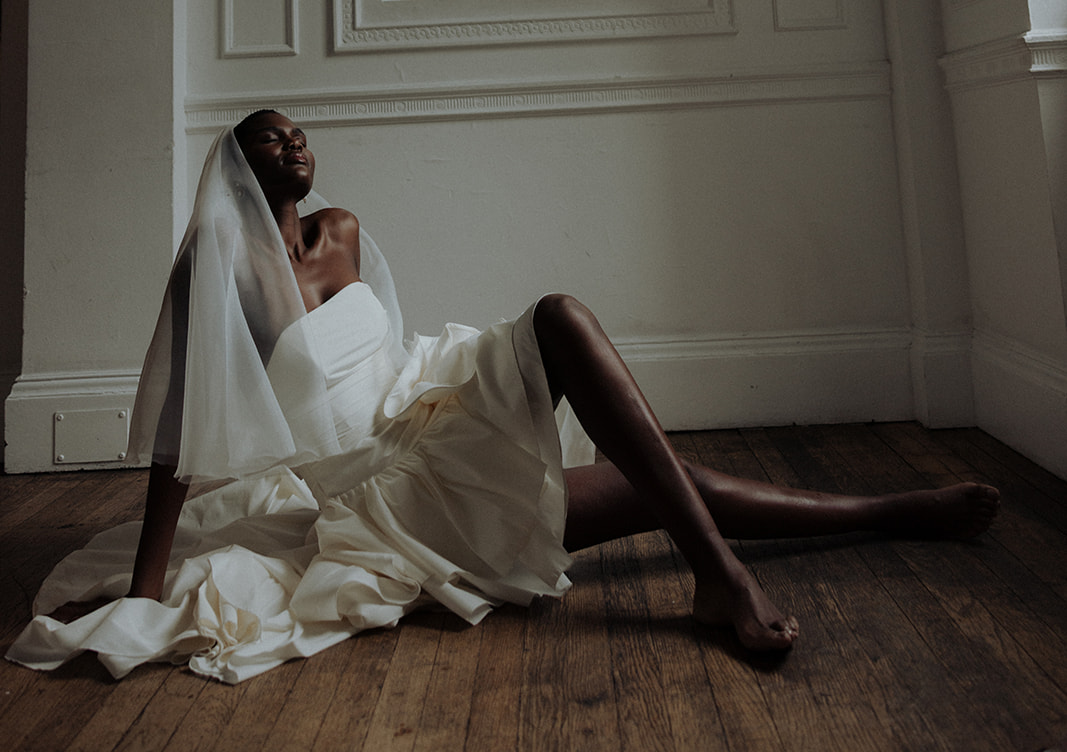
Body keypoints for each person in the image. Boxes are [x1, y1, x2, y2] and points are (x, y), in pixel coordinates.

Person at [7, 111, 999, 684]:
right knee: (666, 478)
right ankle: (765, 561)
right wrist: (145, 584)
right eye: (270, 137)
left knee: (565, 324)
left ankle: (857, 522)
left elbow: (381, 351)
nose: (294, 143)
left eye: (300, 133)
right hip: (391, 500)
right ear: (235, 164)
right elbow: (177, 438)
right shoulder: (220, 276)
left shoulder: (344, 231)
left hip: (430, 413)